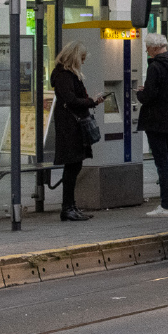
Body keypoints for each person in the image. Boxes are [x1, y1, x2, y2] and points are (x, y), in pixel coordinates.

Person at [51, 41, 104, 222]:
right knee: (72, 166)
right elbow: (71, 99)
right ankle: (67, 208)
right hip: (70, 126)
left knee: (75, 165)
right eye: (81, 58)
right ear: (74, 57)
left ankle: (71, 206)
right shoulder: (64, 75)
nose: (83, 62)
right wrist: (92, 102)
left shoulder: (67, 75)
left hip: (73, 125)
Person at [136, 33, 168, 217]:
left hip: (156, 121)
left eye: (148, 49)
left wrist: (140, 94)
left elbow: (149, 96)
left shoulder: (156, 66)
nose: (148, 52)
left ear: (155, 48)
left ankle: (165, 205)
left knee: (162, 163)